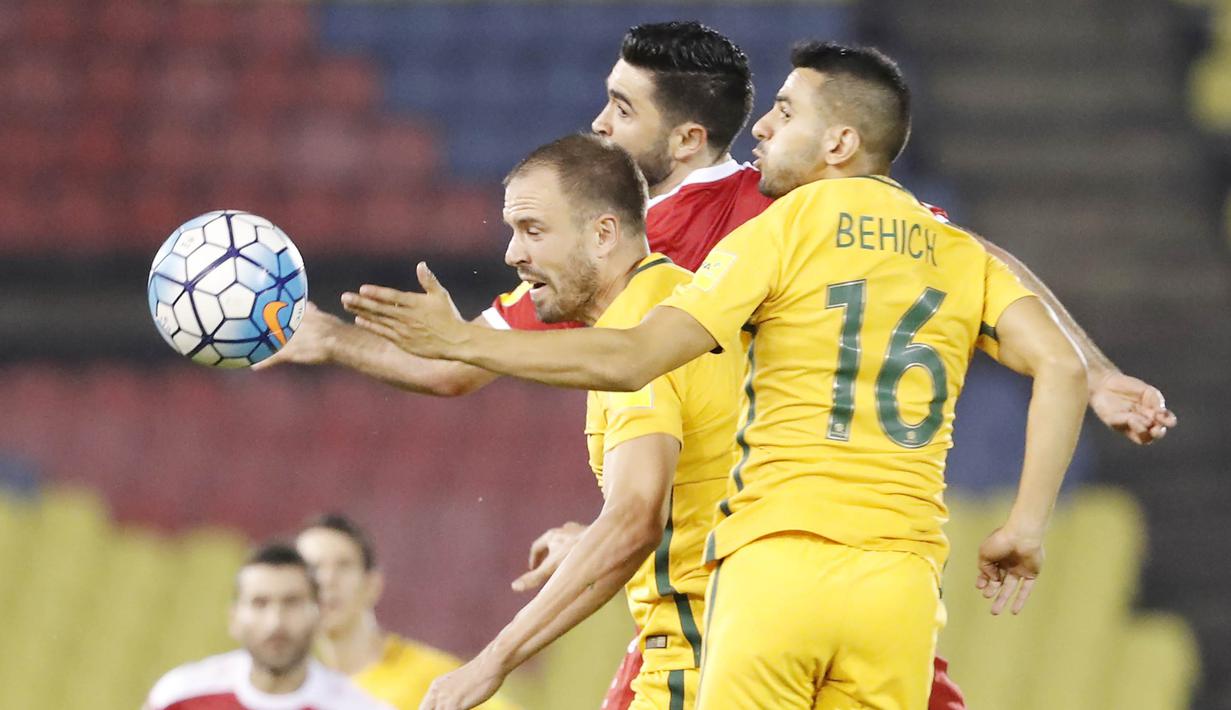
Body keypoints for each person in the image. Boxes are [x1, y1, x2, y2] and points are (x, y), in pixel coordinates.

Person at [342, 42, 1091, 709]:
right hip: (903, 582)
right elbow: (1062, 366)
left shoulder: (776, 231)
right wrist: (1025, 528)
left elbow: (634, 356)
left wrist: (464, 343)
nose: (761, 128)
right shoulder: (955, 250)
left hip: (777, 564)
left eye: (784, 112)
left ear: (838, 142)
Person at [254, 21, 1174, 449]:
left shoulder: (775, 207)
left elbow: (973, 259)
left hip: (795, 523)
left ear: (689, 137)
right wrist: (330, 339)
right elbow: (455, 366)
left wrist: (1092, 374)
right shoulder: (602, 238)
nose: (599, 123)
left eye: (622, 108)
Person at [418, 134, 741, 710]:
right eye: (513, 231)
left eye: (533, 230)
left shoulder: (636, 329)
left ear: (603, 234)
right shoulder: (677, 302)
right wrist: (590, 538)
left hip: (703, 659)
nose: (512, 254)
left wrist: (492, 661)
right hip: (754, 635)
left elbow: (635, 517)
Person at [294, 514, 516, 710]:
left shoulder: (431, 678)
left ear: (373, 583)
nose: (327, 580)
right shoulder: (295, 691)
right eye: (313, 568)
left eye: (343, 566)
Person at [143, 543, 391, 710]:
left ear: (318, 615)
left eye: (292, 602)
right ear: (234, 618)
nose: (276, 623)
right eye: (260, 603)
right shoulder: (180, 696)